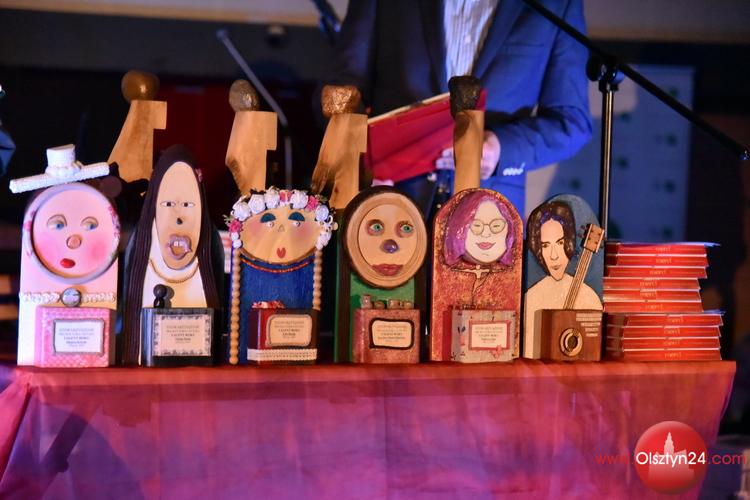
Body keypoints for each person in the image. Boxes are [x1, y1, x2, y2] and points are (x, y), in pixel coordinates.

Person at [320, 0, 592, 216]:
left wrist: (500, 149)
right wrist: (356, 165)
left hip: (490, 222)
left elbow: (572, 122)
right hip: (386, 206)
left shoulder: (556, 4)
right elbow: (340, 91)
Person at [523, 200, 601, 356]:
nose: (554, 256)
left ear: (570, 242)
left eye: (560, 243)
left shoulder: (590, 298)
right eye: (545, 245)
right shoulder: (532, 298)